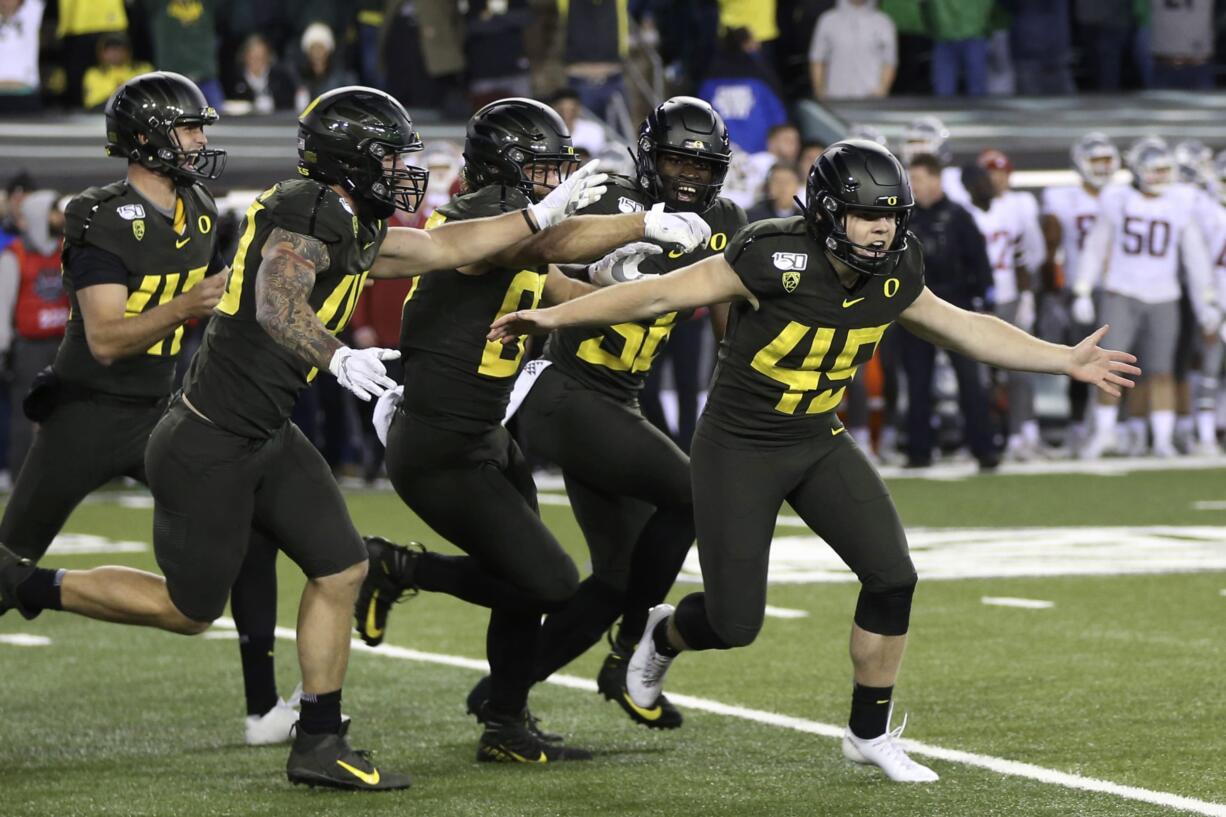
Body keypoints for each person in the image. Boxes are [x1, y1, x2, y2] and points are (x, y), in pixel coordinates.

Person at [0, 84, 613, 788]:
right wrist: (336, 354)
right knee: (188, 610)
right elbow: (275, 300)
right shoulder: (307, 207)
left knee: (343, 567)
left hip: (267, 433)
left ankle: (319, 739)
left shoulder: (349, 220)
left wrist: (535, 215)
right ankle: (27, 582)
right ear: (348, 160)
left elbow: (442, 247)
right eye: (386, 157)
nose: (400, 171)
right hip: (209, 441)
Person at [487, 138, 1139, 782]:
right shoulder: (773, 252)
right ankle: (662, 635)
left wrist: (1063, 357)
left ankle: (868, 731)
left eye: (890, 214)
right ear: (829, 212)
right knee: (733, 621)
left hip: (815, 438)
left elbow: (958, 323)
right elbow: (661, 294)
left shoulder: (897, 265)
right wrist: (558, 315)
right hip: (739, 446)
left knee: (892, 576)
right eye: (867, 214)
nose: (882, 229)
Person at [353, 96, 712, 763]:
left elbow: (561, 290)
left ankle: (506, 723)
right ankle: (398, 565)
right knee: (547, 580)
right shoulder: (471, 220)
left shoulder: (508, 233)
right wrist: (642, 224)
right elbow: (543, 241)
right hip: (439, 445)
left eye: (557, 170)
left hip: (485, 435)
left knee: (520, 581)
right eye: (544, 171)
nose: (555, 185)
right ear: (505, 168)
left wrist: (620, 288)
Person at [0, 72, 301, 746]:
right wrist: (188, 305)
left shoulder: (197, 203)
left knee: (251, 521)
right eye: (188, 127)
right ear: (146, 138)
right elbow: (105, 338)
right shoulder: (98, 214)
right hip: (86, 413)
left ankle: (262, 708)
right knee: (7, 564)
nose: (198, 140)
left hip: (162, 410)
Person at [466, 96, 744, 732]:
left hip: (619, 399)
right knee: (690, 497)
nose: (690, 178)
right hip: (562, 387)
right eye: (677, 162)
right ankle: (629, 654)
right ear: (649, 158)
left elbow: (731, 332)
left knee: (617, 578)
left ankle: (503, 695)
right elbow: (543, 249)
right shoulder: (607, 195)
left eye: (703, 168)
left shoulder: (724, 219)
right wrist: (637, 227)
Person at [1074, 136, 1218, 459]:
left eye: (1166, 170)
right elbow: (1097, 245)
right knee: (1107, 367)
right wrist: (1083, 288)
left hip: (1164, 295)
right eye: (1156, 170)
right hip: (1121, 291)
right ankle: (1105, 434)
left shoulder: (1180, 201)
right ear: (1138, 170)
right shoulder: (1117, 197)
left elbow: (1195, 258)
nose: (1162, 177)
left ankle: (1163, 440)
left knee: (1162, 370)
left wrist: (1205, 302)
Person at [903, 154, 997, 469]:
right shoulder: (904, 216)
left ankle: (983, 448)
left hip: (957, 306)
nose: (912, 185)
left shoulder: (958, 216)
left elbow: (979, 260)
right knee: (917, 382)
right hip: (914, 307)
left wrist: (985, 296)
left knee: (971, 380)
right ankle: (918, 451)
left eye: (917, 179)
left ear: (935, 179)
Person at [960, 156, 1046, 461]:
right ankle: (979, 436)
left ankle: (1025, 434)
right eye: (987, 175)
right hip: (976, 303)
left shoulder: (1019, 207)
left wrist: (1026, 297)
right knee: (978, 376)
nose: (992, 181)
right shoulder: (964, 212)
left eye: (997, 174)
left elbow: (1029, 256)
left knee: (1022, 367)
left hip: (1010, 298)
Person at [1040, 132, 1120, 452]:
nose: (1101, 167)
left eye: (1106, 160)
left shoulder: (1123, 195)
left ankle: (1116, 428)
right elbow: (1051, 246)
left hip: (1118, 288)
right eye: (1095, 160)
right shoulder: (1062, 198)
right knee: (1079, 362)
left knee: (1119, 361)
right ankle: (1076, 426)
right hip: (1078, 288)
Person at [808, 0, 897, 100]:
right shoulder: (827, 20)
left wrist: (882, 90)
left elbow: (889, 62)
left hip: (871, 99)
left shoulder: (883, 22)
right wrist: (820, 93)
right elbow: (817, 59)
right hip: (835, 97)